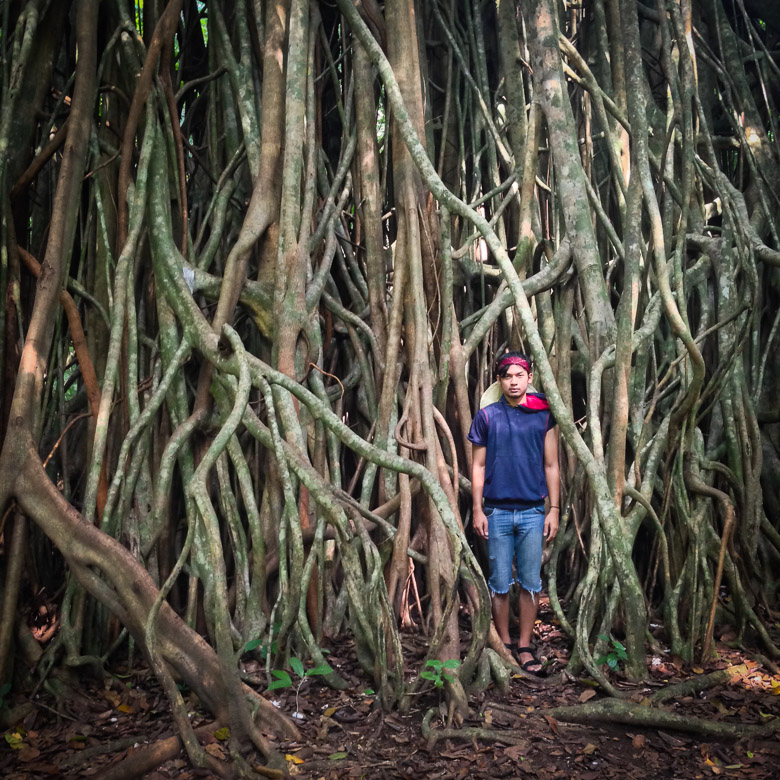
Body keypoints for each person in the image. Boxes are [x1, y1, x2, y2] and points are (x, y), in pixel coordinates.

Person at [468, 352, 560, 675]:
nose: (514, 382)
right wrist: (477, 509)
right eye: (507, 376)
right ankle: (504, 644)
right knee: (500, 582)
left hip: (533, 512)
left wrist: (554, 509)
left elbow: (552, 464)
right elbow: (478, 466)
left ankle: (524, 646)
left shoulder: (543, 414)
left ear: (529, 378)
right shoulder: (487, 416)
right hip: (497, 511)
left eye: (519, 375)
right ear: (499, 381)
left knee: (530, 583)